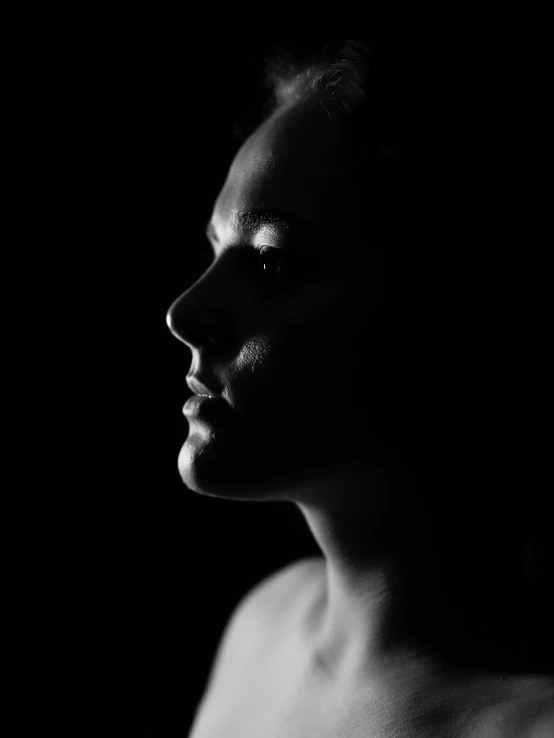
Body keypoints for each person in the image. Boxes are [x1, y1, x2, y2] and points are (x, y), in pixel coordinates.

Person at [166, 37, 554, 737]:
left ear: (448, 303)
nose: (183, 313)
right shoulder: (262, 628)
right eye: (215, 250)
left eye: (270, 263)